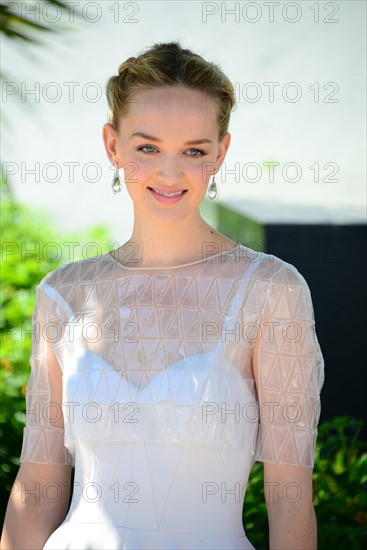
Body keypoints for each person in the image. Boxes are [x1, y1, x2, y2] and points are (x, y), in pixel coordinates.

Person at [1, 41, 324, 550]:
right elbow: (38, 486)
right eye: (147, 147)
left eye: (193, 151)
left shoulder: (270, 291)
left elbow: (289, 497)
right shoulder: (62, 296)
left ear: (220, 152)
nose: (170, 174)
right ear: (112, 146)